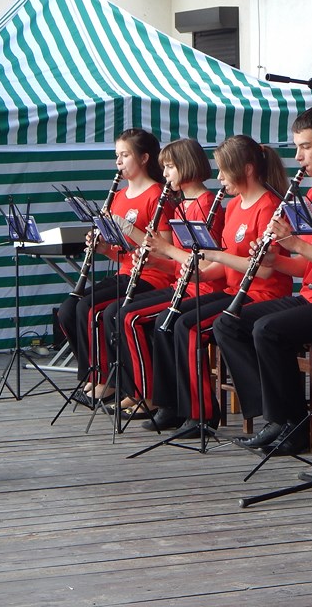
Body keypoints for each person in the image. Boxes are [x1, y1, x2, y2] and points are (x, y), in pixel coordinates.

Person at [213, 103, 312, 456]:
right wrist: (277, 259)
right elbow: (308, 266)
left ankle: (292, 423)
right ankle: (277, 416)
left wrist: (298, 245)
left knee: (268, 330)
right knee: (231, 322)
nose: (298, 157)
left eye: (305, 147)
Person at [144, 136, 294, 437]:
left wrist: (214, 256)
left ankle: (204, 414)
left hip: (263, 294)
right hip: (234, 291)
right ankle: (186, 408)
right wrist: (194, 271)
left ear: (247, 169)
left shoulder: (269, 206)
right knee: (173, 320)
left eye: (225, 170)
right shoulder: (235, 205)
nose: (220, 177)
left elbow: (265, 270)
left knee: (190, 326)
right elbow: (223, 267)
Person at [100, 138, 223, 421]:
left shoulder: (206, 204)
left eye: (169, 167)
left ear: (186, 166)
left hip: (204, 289)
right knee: (126, 315)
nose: (164, 174)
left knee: (138, 318)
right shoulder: (181, 206)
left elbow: (204, 262)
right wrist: (154, 260)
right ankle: (161, 398)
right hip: (182, 285)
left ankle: (161, 399)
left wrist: (165, 249)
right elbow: (179, 264)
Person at [56, 128, 173, 405]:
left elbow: (166, 250)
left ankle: (106, 381)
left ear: (144, 158)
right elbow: (123, 255)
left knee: (89, 307)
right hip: (127, 273)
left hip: (153, 277)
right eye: (117, 155)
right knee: (68, 309)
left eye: (125, 155)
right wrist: (103, 248)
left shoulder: (158, 195)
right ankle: (94, 372)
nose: (118, 162)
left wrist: (127, 229)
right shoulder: (118, 197)